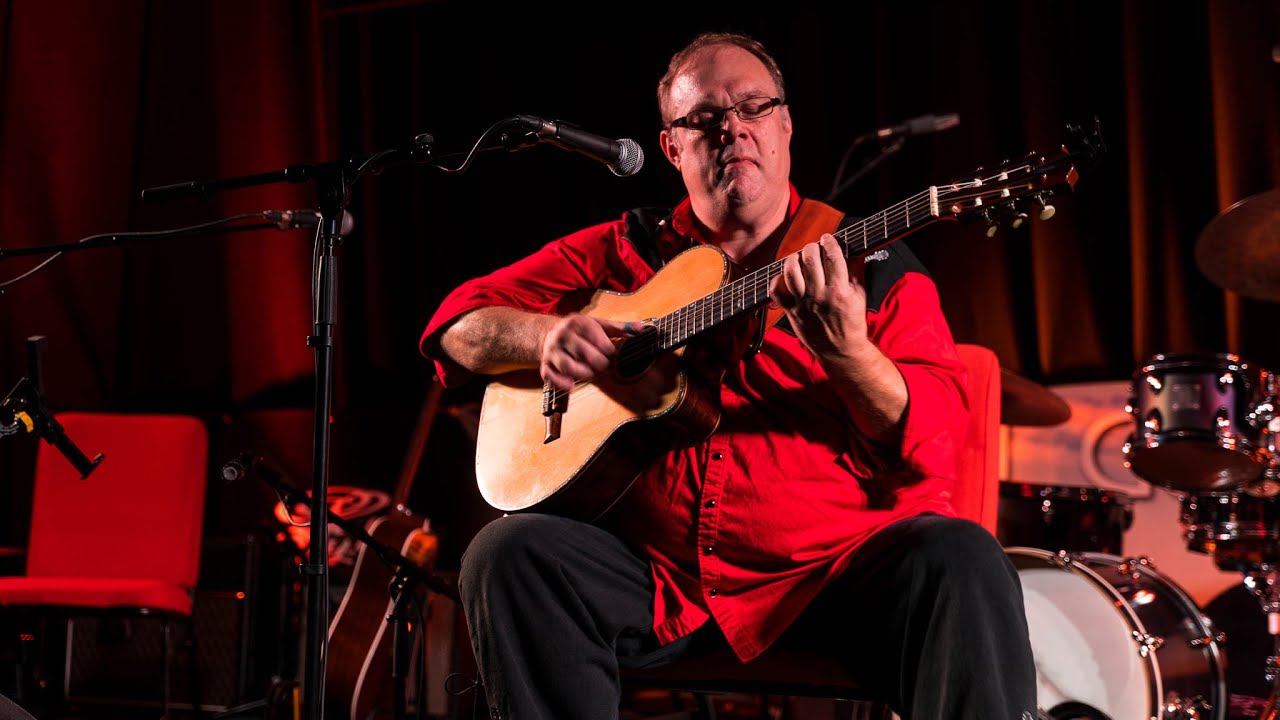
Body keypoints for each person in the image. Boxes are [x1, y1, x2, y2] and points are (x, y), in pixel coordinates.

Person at [420, 30, 1036, 720]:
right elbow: (457, 326)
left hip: (831, 580)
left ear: (785, 125)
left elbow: (932, 443)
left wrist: (847, 351)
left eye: (753, 108)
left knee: (963, 558)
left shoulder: (877, 267)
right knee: (508, 553)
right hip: (661, 583)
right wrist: (545, 335)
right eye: (705, 119)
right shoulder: (622, 249)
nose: (733, 130)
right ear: (672, 147)